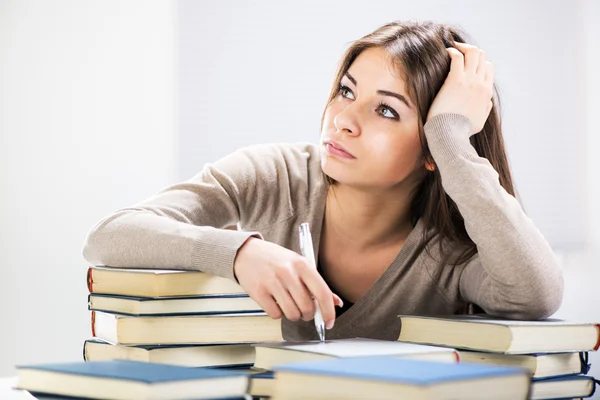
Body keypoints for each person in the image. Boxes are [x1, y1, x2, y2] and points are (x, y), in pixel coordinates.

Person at [82, 21, 564, 341]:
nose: (344, 120)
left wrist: (450, 138)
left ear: (432, 154)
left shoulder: (446, 256)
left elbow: (536, 294)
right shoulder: (273, 176)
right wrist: (241, 252)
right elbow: (110, 235)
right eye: (346, 91)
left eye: (386, 110)